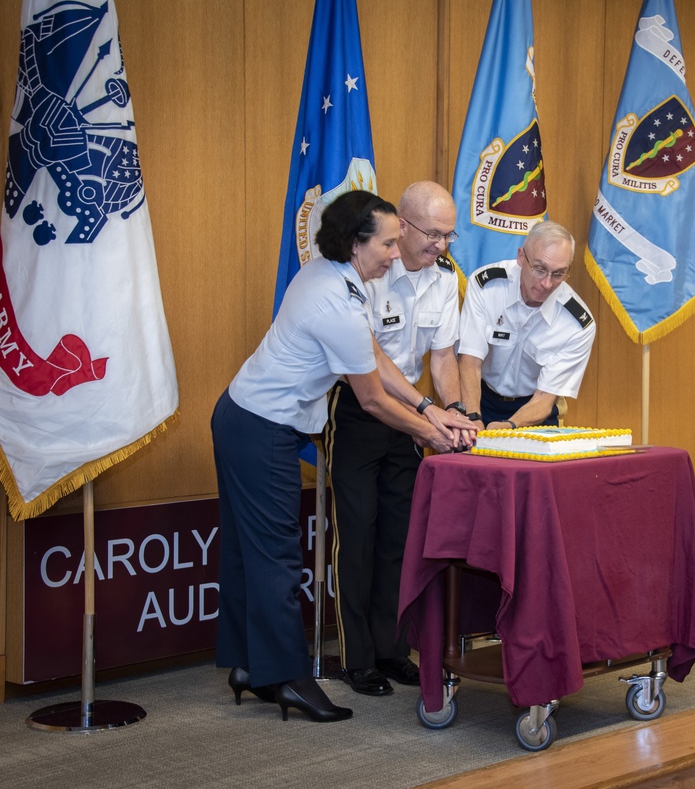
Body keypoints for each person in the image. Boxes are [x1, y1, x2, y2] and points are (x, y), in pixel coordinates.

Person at [210, 190, 475, 723]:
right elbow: (372, 396)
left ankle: (246, 666)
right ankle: (289, 678)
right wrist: (433, 433)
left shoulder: (335, 278)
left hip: (245, 418)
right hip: (262, 428)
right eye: (386, 243)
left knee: (244, 553)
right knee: (276, 560)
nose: (395, 253)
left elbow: (376, 361)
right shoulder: (337, 300)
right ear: (355, 243)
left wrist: (429, 408)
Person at [325, 181, 469, 697]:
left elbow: (444, 356)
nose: (442, 246)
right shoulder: (364, 273)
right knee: (358, 537)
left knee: (398, 540)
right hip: (363, 412)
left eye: (449, 235)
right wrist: (427, 411)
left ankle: (390, 649)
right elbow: (371, 363)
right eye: (434, 234)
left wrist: (452, 411)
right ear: (402, 226)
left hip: (413, 416)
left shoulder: (447, 277)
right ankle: (356, 657)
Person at [458, 221, 596, 429]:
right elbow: (470, 361)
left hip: (534, 409)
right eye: (540, 269)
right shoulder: (487, 286)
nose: (547, 284)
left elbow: (544, 398)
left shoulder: (577, 325)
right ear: (521, 257)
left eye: (558, 273)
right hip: (479, 396)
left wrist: (510, 426)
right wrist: (473, 418)